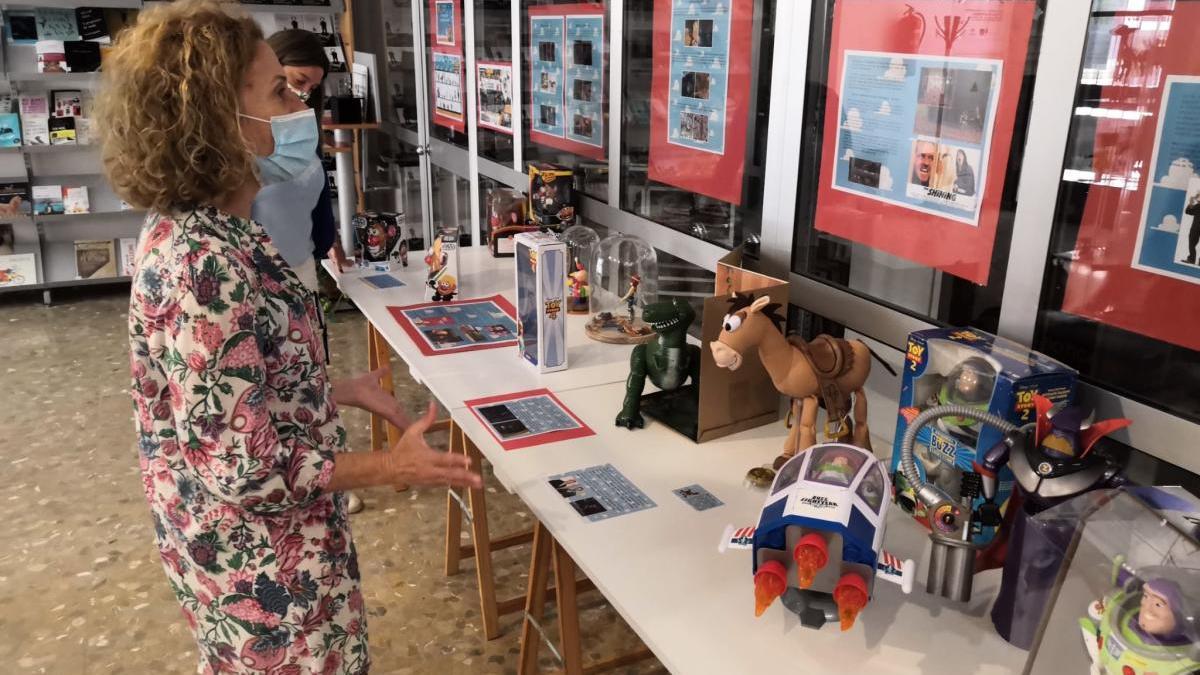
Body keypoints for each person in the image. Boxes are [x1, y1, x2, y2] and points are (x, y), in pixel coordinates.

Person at [96, 2, 481, 672]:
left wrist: (332, 386)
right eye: (279, 92)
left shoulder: (219, 229)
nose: (301, 107)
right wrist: (391, 467)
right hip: (260, 577)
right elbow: (245, 469)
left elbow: (232, 385)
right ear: (215, 121)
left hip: (271, 551)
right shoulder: (202, 263)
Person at [1184, 193, 1199, 264]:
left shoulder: (1198, 205)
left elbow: (1188, 211)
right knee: (1192, 243)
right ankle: (1191, 260)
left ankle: (1191, 260)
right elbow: (1188, 212)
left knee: (1192, 243)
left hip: (1195, 228)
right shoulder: (1198, 206)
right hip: (1195, 228)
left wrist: (1192, 201)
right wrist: (1191, 202)